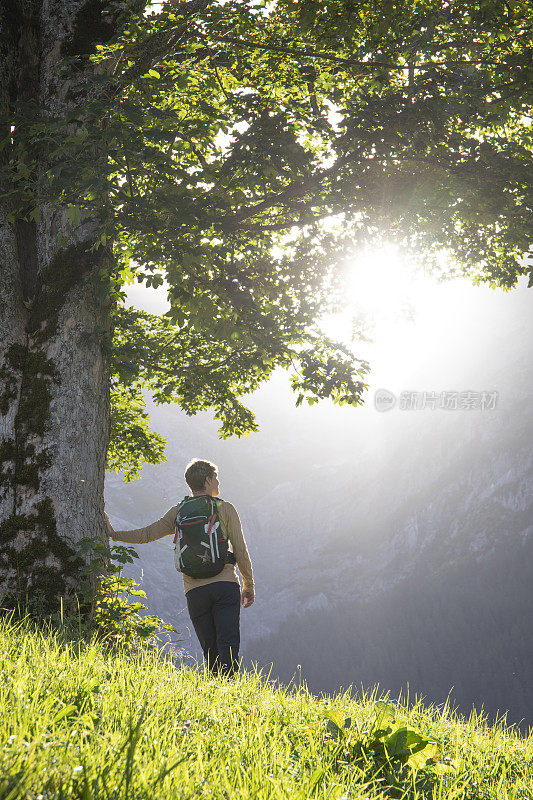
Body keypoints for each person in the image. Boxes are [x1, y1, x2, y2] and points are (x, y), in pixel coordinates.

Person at [105, 459, 254, 677]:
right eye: (216, 478)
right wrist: (249, 584)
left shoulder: (179, 511)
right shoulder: (225, 508)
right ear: (208, 480)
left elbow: (147, 534)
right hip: (225, 585)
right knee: (228, 642)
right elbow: (240, 550)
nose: (218, 482)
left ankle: (215, 691)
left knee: (210, 649)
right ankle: (230, 695)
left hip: (194, 590)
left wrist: (115, 534)